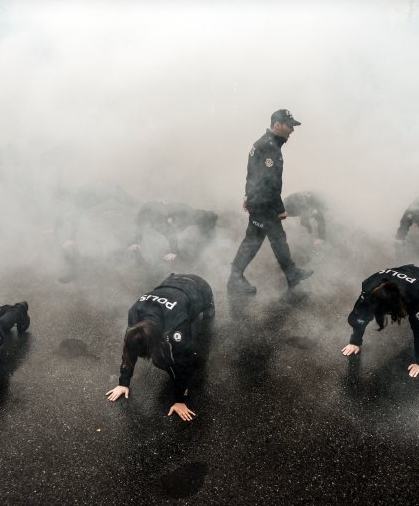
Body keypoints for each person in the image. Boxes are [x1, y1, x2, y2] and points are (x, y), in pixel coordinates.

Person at [106, 274, 214, 421]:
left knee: (201, 335)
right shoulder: (134, 314)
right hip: (171, 282)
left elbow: (182, 361)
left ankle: (208, 311)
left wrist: (180, 399)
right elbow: (129, 349)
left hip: (199, 288)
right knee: (163, 359)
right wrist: (123, 383)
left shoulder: (176, 324)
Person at [227, 108, 313, 294]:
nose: (292, 130)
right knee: (254, 240)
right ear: (277, 125)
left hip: (260, 200)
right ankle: (235, 277)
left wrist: (247, 196)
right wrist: (279, 208)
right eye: (289, 125)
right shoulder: (269, 147)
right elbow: (269, 182)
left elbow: (252, 174)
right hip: (263, 204)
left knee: (278, 239)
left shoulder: (266, 143)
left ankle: (291, 273)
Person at [340, 264, 419, 378]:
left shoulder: (415, 296)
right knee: (364, 310)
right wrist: (355, 341)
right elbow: (360, 315)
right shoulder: (369, 287)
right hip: (404, 274)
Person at [53, 183, 137, 283]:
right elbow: (64, 213)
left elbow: (76, 218)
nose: (56, 203)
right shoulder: (72, 197)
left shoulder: (76, 198)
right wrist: (56, 229)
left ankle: (124, 258)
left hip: (110, 196)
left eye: (57, 200)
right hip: (106, 196)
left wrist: (71, 237)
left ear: (62, 197)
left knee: (133, 206)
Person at [127, 201, 218, 261]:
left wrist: (174, 252)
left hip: (182, 212)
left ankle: (212, 217)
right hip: (176, 212)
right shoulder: (144, 211)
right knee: (193, 217)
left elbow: (170, 234)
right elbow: (140, 226)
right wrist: (136, 242)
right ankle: (210, 217)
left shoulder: (157, 219)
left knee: (197, 218)